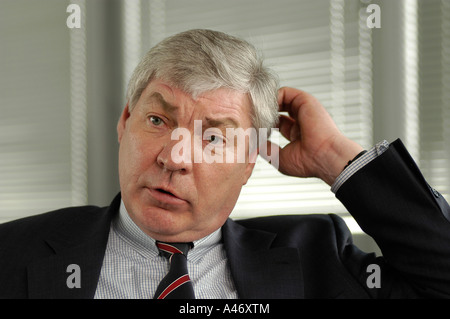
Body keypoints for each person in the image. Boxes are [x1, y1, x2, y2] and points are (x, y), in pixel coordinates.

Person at [0, 29, 449, 299]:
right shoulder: (13, 252)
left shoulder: (318, 257)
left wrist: (336, 159)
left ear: (251, 157)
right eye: (158, 120)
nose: (174, 157)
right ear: (124, 122)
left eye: (213, 137)